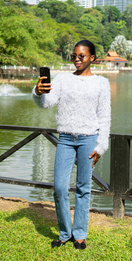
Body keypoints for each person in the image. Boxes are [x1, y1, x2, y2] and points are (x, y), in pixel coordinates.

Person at [32, 40, 111, 250]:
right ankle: (65, 232)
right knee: (59, 188)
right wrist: (38, 92)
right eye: (74, 56)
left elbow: (104, 118)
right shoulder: (63, 79)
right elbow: (46, 103)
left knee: (84, 188)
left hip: (88, 139)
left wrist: (101, 146)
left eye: (82, 56)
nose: (76, 59)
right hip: (65, 139)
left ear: (92, 58)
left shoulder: (101, 83)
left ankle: (80, 235)